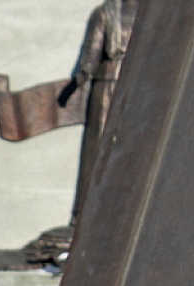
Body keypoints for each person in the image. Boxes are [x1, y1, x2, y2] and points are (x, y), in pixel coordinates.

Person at [59, 0, 138, 224]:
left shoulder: (150, 13)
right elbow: (91, 52)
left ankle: (125, 208)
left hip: (137, 89)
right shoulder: (106, 12)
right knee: (99, 149)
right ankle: (85, 212)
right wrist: (83, 75)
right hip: (107, 87)